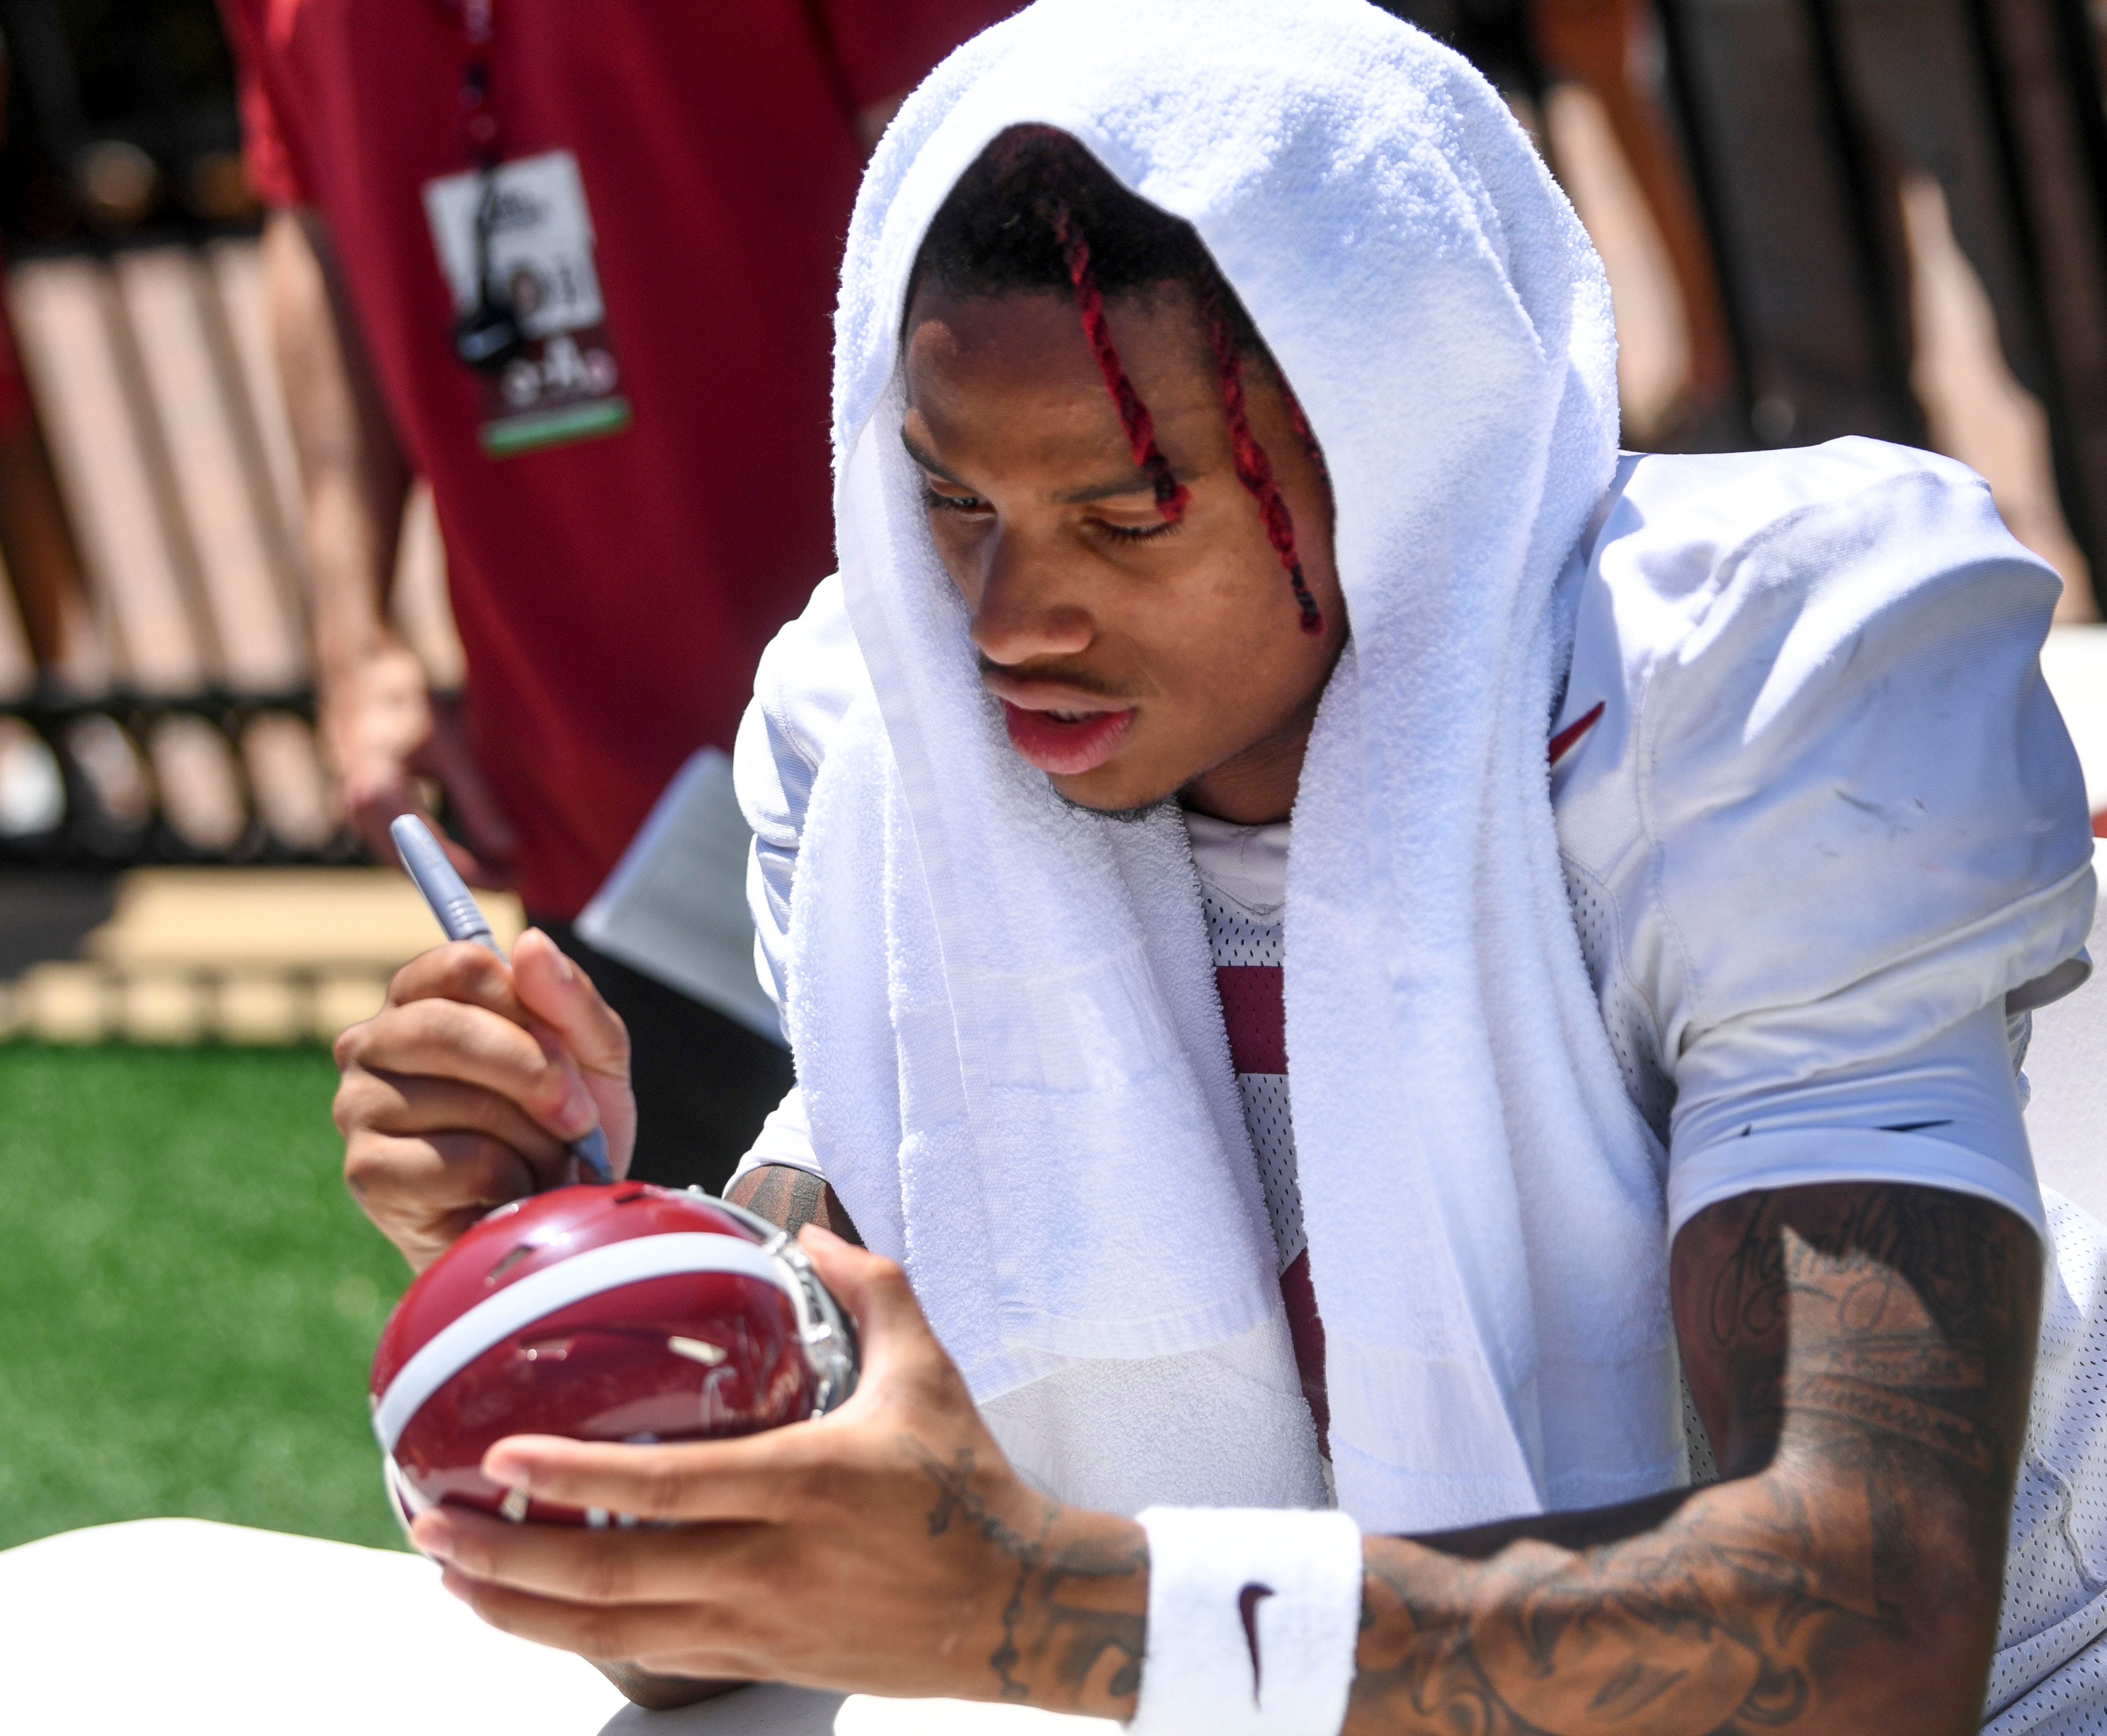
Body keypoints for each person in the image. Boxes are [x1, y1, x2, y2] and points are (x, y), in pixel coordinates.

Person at [331, 1, 2107, 1728]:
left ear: (1402, 449)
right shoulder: (898, 772)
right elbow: (735, 1630)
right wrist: (569, 1274)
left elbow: (1877, 1638)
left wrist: (1030, 1607)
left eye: (1125, 512)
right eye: (951, 502)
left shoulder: (1723, 707)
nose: (1007, 622)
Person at [221, 0, 1010, 1190]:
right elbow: (314, 215)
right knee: (713, 1347)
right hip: (598, 836)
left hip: (928, 782)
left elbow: (985, 195)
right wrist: (351, 632)